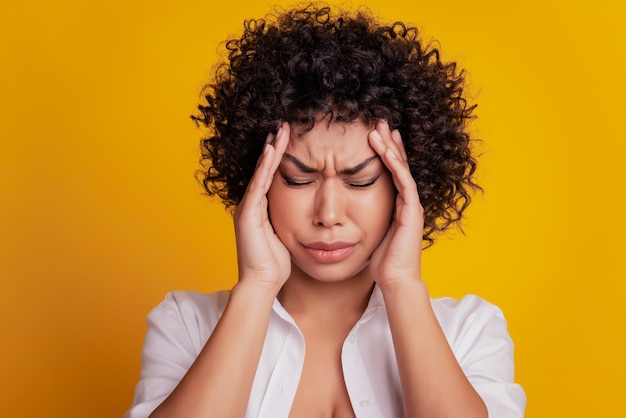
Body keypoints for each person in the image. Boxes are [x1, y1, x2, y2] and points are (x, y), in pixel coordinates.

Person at [125, 3, 526, 417]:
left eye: (361, 179)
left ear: (404, 187)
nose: (328, 213)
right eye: (298, 179)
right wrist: (257, 286)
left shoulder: (469, 333)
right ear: (257, 183)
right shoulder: (187, 326)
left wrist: (403, 285)